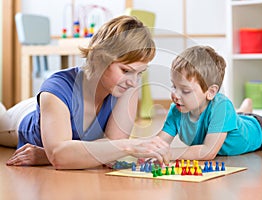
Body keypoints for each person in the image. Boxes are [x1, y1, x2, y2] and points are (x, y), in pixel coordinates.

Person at [1, 15, 170, 169]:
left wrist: (47, 154)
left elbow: (111, 149)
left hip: (56, 108)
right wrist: (129, 145)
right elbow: (61, 157)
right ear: (100, 57)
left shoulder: (126, 89)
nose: (133, 82)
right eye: (125, 71)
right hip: (19, 119)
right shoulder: (56, 88)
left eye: (139, 73)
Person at [158, 45, 262, 160]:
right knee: (236, 117)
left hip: (258, 131)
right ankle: (244, 109)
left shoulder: (221, 106)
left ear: (211, 92)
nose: (175, 95)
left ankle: (245, 111)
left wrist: (170, 154)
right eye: (174, 86)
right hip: (232, 120)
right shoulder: (177, 109)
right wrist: (151, 150)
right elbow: (159, 143)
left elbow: (207, 152)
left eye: (185, 90)